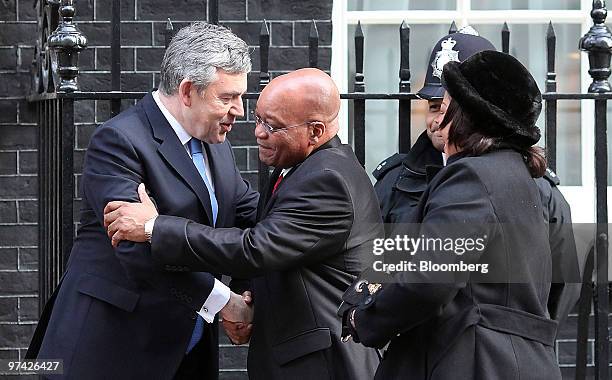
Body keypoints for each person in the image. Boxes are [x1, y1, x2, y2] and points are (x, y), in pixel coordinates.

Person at [103, 68, 383, 379]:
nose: (258, 132)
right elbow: (269, 232)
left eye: (272, 125)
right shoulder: (301, 163)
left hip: (323, 365)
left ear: (316, 131)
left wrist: (154, 227)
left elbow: (256, 248)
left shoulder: (328, 179)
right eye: (259, 118)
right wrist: (246, 290)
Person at [26, 22, 258, 379]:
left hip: (186, 348)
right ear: (186, 91)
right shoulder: (119, 141)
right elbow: (136, 251)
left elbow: (245, 216)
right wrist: (224, 301)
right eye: (226, 98)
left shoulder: (216, 145)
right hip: (111, 349)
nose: (239, 111)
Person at [344, 51, 563, 379]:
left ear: (466, 117)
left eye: (447, 108)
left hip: (473, 361)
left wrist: (363, 319)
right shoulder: (516, 176)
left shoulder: (472, 176)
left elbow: (430, 278)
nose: (436, 119)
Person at [374, 28, 581, 327]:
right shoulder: (394, 181)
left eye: (447, 107)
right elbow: (373, 267)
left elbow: (561, 282)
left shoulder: (538, 187)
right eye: (432, 106)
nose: (437, 120)